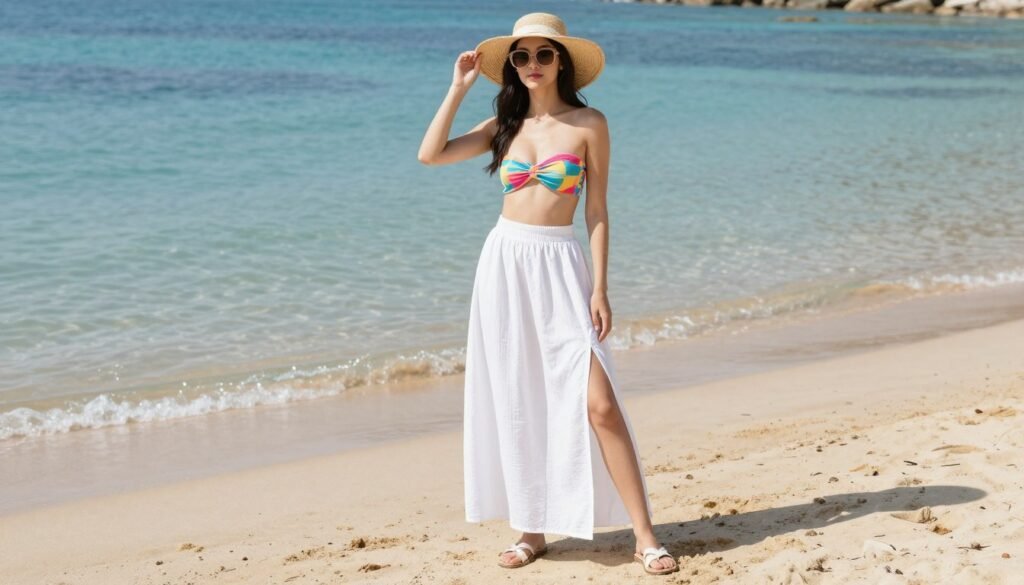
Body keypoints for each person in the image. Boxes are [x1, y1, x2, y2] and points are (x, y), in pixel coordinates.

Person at [417, 12, 678, 577]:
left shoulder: (589, 123)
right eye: (521, 56)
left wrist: (601, 287)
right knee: (518, 397)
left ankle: (645, 535)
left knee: (599, 406)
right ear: (511, 66)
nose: (531, 65)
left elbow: (598, 209)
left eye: (543, 55)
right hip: (505, 265)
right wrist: (458, 88)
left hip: (561, 265)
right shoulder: (505, 126)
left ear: (562, 61)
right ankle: (531, 529)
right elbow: (430, 154)